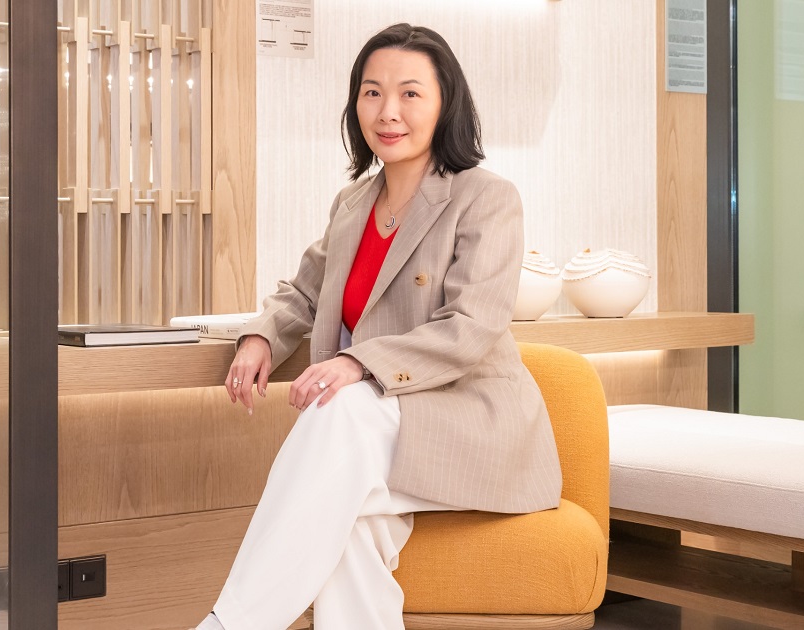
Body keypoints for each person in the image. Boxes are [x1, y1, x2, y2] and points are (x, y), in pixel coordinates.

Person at [193, 23, 562, 630]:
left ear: (445, 104)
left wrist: (358, 363)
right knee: (346, 524)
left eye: (410, 93)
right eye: (372, 92)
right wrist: (260, 335)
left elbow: (471, 326)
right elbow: (304, 291)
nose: (388, 111)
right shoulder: (353, 204)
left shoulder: (486, 197)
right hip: (382, 433)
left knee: (339, 409)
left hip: (467, 423)